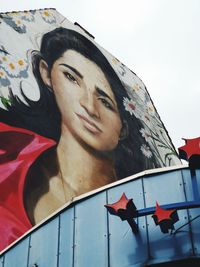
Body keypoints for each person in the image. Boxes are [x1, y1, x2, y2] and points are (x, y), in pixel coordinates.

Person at [0, 27, 160, 250]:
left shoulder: (152, 212)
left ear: (124, 128)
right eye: (71, 77)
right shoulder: (8, 156)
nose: (89, 106)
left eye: (105, 102)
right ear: (46, 73)